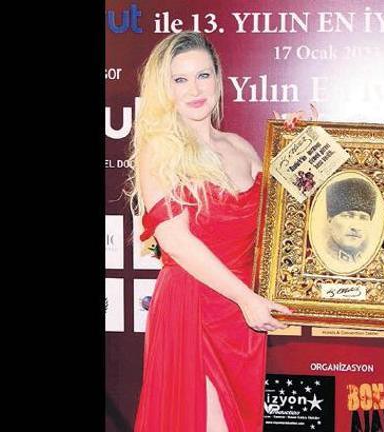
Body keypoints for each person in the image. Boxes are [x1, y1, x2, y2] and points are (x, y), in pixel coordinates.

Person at [125, 31, 292, 432]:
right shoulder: (161, 150)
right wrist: (246, 298)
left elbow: (285, 218)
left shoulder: (241, 147)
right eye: (180, 80)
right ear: (165, 89)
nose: (195, 89)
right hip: (192, 308)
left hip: (241, 315)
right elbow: (175, 241)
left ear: (218, 77)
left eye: (203, 75)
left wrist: (305, 142)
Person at [323, 177, 376, 264]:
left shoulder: (373, 259)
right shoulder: (321, 255)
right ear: (330, 218)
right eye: (348, 216)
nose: (356, 227)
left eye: (363, 218)